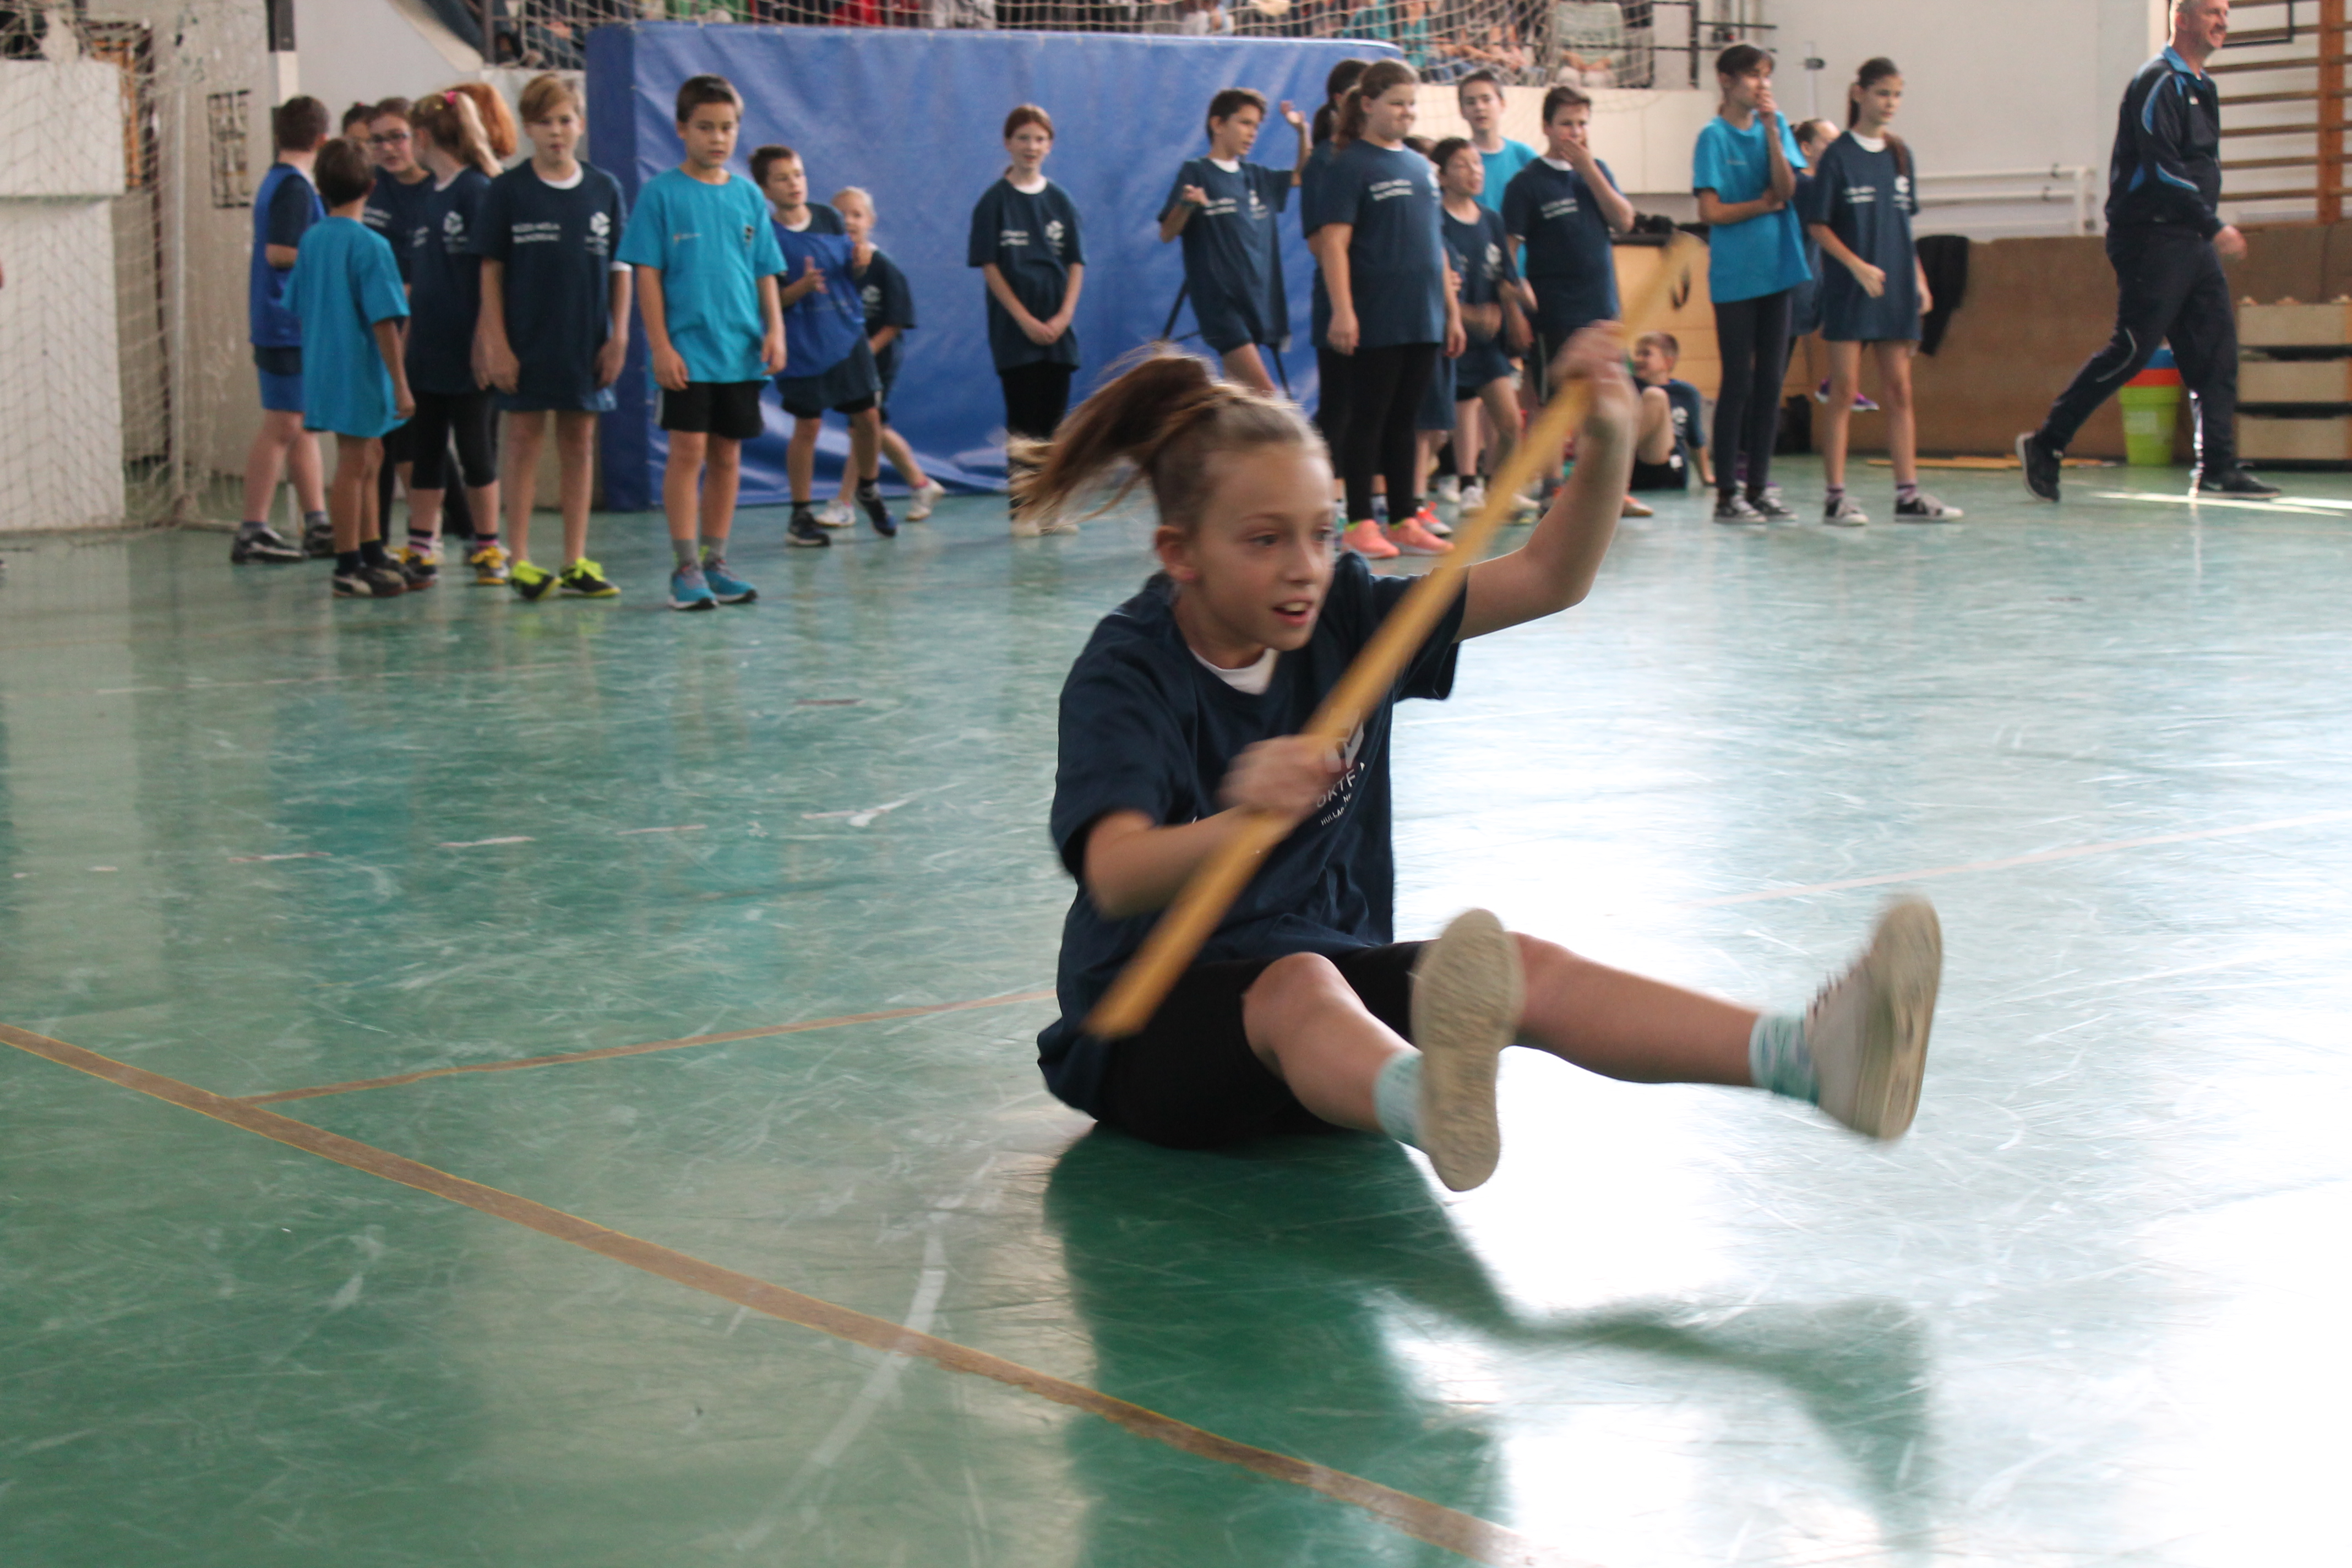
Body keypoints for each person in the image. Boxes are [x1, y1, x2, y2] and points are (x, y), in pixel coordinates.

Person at [1020, 341, 1943, 1186]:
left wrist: (1607, 443)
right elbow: (1117, 872)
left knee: (1515, 966)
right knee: (1298, 984)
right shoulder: (1130, 671)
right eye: (1265, 540)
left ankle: (1813, 1059)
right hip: (1147, 1033)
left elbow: (1549, 576)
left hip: (1325, 1013)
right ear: (1180, 553)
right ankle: (1428, 1102)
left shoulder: (1345, 617)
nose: (1305, 566)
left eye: (1323, 531)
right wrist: (1243, 822)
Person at [2018, 0, 2276, 502]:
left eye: (2226, 12)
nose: (2222, 21)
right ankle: (2047, 443)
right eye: (2212, 12)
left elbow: (2201, 167)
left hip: (2192, 241)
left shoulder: (2203, 87)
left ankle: (2217, 467)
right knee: (2134, 350)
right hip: (2153, 239)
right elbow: (2162, 171)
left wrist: (2204, 228)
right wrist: (2213, 224)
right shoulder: (2157, 82)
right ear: (2182, 19)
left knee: (2217, 353)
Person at [616, 74, 786, 610]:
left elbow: (764, 270)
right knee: (688, 451)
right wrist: (661, 346)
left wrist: (775, 329)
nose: (717, 138)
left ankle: (717, 561)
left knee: (728, 455)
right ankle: (685, 566)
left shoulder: (748, 195)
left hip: (739, 350)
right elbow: (646, 274)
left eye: (727, 128)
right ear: (681, 129)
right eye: (706, 127)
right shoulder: (661, 194)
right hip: (687, 351)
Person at [474, 72, 629, 601]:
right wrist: (496, 342)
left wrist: (619, 336)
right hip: (526, 339)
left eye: (565, 120)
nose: (556, 131)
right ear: (527, 128)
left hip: (585, 340)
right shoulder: (507, 191)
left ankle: (575, 560)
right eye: (544, 122)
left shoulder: (604, 189)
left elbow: (622, 268)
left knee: (579, 441)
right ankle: (519, 559)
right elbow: (490, 269)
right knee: (522, 439)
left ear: (580, 124)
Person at [1307, 58, 1462, 560]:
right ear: (1369, 104)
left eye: (1411, 104)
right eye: (1397, 104)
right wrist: (1343, 311)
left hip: (1423, 315)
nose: (1406, 113)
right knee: (1367, 419)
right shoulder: (1348, 164)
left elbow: (1436, 244)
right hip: (1377, 315)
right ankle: (1359, 522)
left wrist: (1451, 312)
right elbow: (1334, 244)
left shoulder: (1420, 166)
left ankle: (1403, 519)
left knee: (1405, 420)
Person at [1804, 60, 1962, 527]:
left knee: (1899, 391)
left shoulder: (1899, 153)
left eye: (1897, 94)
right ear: (1859, 94)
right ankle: (1835, 498)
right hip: (1850, 291)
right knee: (1844, 391)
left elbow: (1903, 226)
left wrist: (1919, 279)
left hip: (1894, 290)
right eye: (1882, 93)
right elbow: (1818, 225)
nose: (1890, 103)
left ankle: (1907, 495)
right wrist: (1855, 266)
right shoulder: (1838, 156)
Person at [286, 138, 415, 601]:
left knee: (370, 456)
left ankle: (371, 550)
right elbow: (384, 321)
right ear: (371, 187)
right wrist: (401, 384)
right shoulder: (371, 245)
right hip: (358, 369)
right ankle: (347, 564)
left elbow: (297, 303)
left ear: (320, 189)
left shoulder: (312, 240)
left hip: (325, 367)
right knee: (353, 463)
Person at [754, 144, 895, 547]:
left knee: (868, 417)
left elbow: (850, 273)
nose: (794, 184)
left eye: (798, 175)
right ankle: (800, 514)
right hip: (802, 346)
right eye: (782, 178)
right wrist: (798, 289)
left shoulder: (830, 219)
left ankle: (867, 489)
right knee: (809, 426)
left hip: (846, 337)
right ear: (766, 189)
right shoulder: (767, 236)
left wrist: (860, 265)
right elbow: (768, 300)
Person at [1693, 43, 1810, 524]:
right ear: (1726, 79)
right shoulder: (1712, 137)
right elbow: (1711, 211)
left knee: (1771, 382)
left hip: (1779, 268)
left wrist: (1773, 132)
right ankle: (1727, 492)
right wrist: (1760, 207)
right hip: (1736, 275)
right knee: (1738, 380)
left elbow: (1787, 189)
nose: (1762, 85)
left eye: (1767, 76)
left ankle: (1759, 487)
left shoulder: (1774, 126)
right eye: (1753, 76)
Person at [1501, 84, 1633, 503]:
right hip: (1555, 311)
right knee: (1553, 401)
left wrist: (1590, 170)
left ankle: (1607, 487)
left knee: (1607, 397)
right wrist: (1515, 307)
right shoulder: (1527, 184)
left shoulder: (1597, 172)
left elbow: (1624, 221)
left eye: (1581, 124)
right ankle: (1552, 485)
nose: (1574, 133)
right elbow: (1508, 253)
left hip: (1602, 306)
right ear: (1546, 127)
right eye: (1565, 124)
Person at [393, 89, 502, 589]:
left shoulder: (476, 190)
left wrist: (487, 336)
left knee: (477, 449)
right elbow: (423, 281)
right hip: (428, 349)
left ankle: (488, 546)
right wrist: (406, 346)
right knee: (427, 449)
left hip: (469, 349)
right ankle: (422, 546)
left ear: (422, 137)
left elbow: (490, 271)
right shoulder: (427, 197)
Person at [969, 104, 1086, 536]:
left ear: (1049, 145)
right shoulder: (994, 202)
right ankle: (1024, 509)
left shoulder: (1060, 201)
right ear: (1008, 143)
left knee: (1054, 422)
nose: (1031, 146)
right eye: (1023, 138)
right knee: (1024, 420)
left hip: (1058, 330)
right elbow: (990, 266)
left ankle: (1052, 506)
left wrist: (1064, 316)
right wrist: (1023, 319)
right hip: (1015, 332)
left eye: (1039, 139)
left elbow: (1076, 262)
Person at [1159, 89, 1311, 397]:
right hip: (1221, 304)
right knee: (1266, 395)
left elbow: (1303, 176)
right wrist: (1187, 205)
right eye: (1244, 123)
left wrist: (1302, 132)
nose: (1252, 133)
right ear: (1217, 124)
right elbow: (1167, 233)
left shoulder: (1258, 177)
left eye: (1256, 126)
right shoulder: (1197, 172)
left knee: (1238, 399)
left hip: (1257, 300)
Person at [233, 95, 329, 567]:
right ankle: (252, 528)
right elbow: (280, 252)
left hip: (287, 320)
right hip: (284, 321)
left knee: (302, 424)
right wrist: (329, 257)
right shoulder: (294, 188)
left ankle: (318, 522)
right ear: (323, 140)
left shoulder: (283, 182)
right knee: (283, 425)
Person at [818, 187, 946, 526]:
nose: (849, 221)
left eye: (857, 215)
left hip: (878, 362)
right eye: (841, 215)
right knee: (872, 430)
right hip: (847, 363)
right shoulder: (833, 269)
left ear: (871, 221)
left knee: (863, 428)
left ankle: (845, 502)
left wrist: (866, 354)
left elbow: (896, 321)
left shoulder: (884, 268)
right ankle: (921, 484)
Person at [1434, 135, 1532, 515]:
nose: (1474, 171)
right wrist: (1466, 316)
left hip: (1488, 342)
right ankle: (1467, 486)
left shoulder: (1491, 220)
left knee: (1509, 422)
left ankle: (1498, 490)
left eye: (1476, 164)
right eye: (1462, 165)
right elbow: (1432, 285)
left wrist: (1518, 308)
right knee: (1452, 420)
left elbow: (1506, 279)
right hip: (1452, 337)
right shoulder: (1435, 221)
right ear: (1442, 176)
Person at [1628, 330, 1708, 492]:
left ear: (1668, 362)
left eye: (1646, 354)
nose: (1638, 359)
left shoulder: (1686, 393)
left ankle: (1615, 462)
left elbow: (1696, 439)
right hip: (1632, 469)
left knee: (1655, 396)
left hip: (1670, 469)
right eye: (1637, 354)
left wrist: (1706, 476)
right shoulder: (1628, 386)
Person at [1454, 68, 1532, 219]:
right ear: (1462, 111)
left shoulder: (1523, 155)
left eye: (1487, 100)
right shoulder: (1456, 160)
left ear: (1502, 104)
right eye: (1471, 102)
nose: (1479, 107)